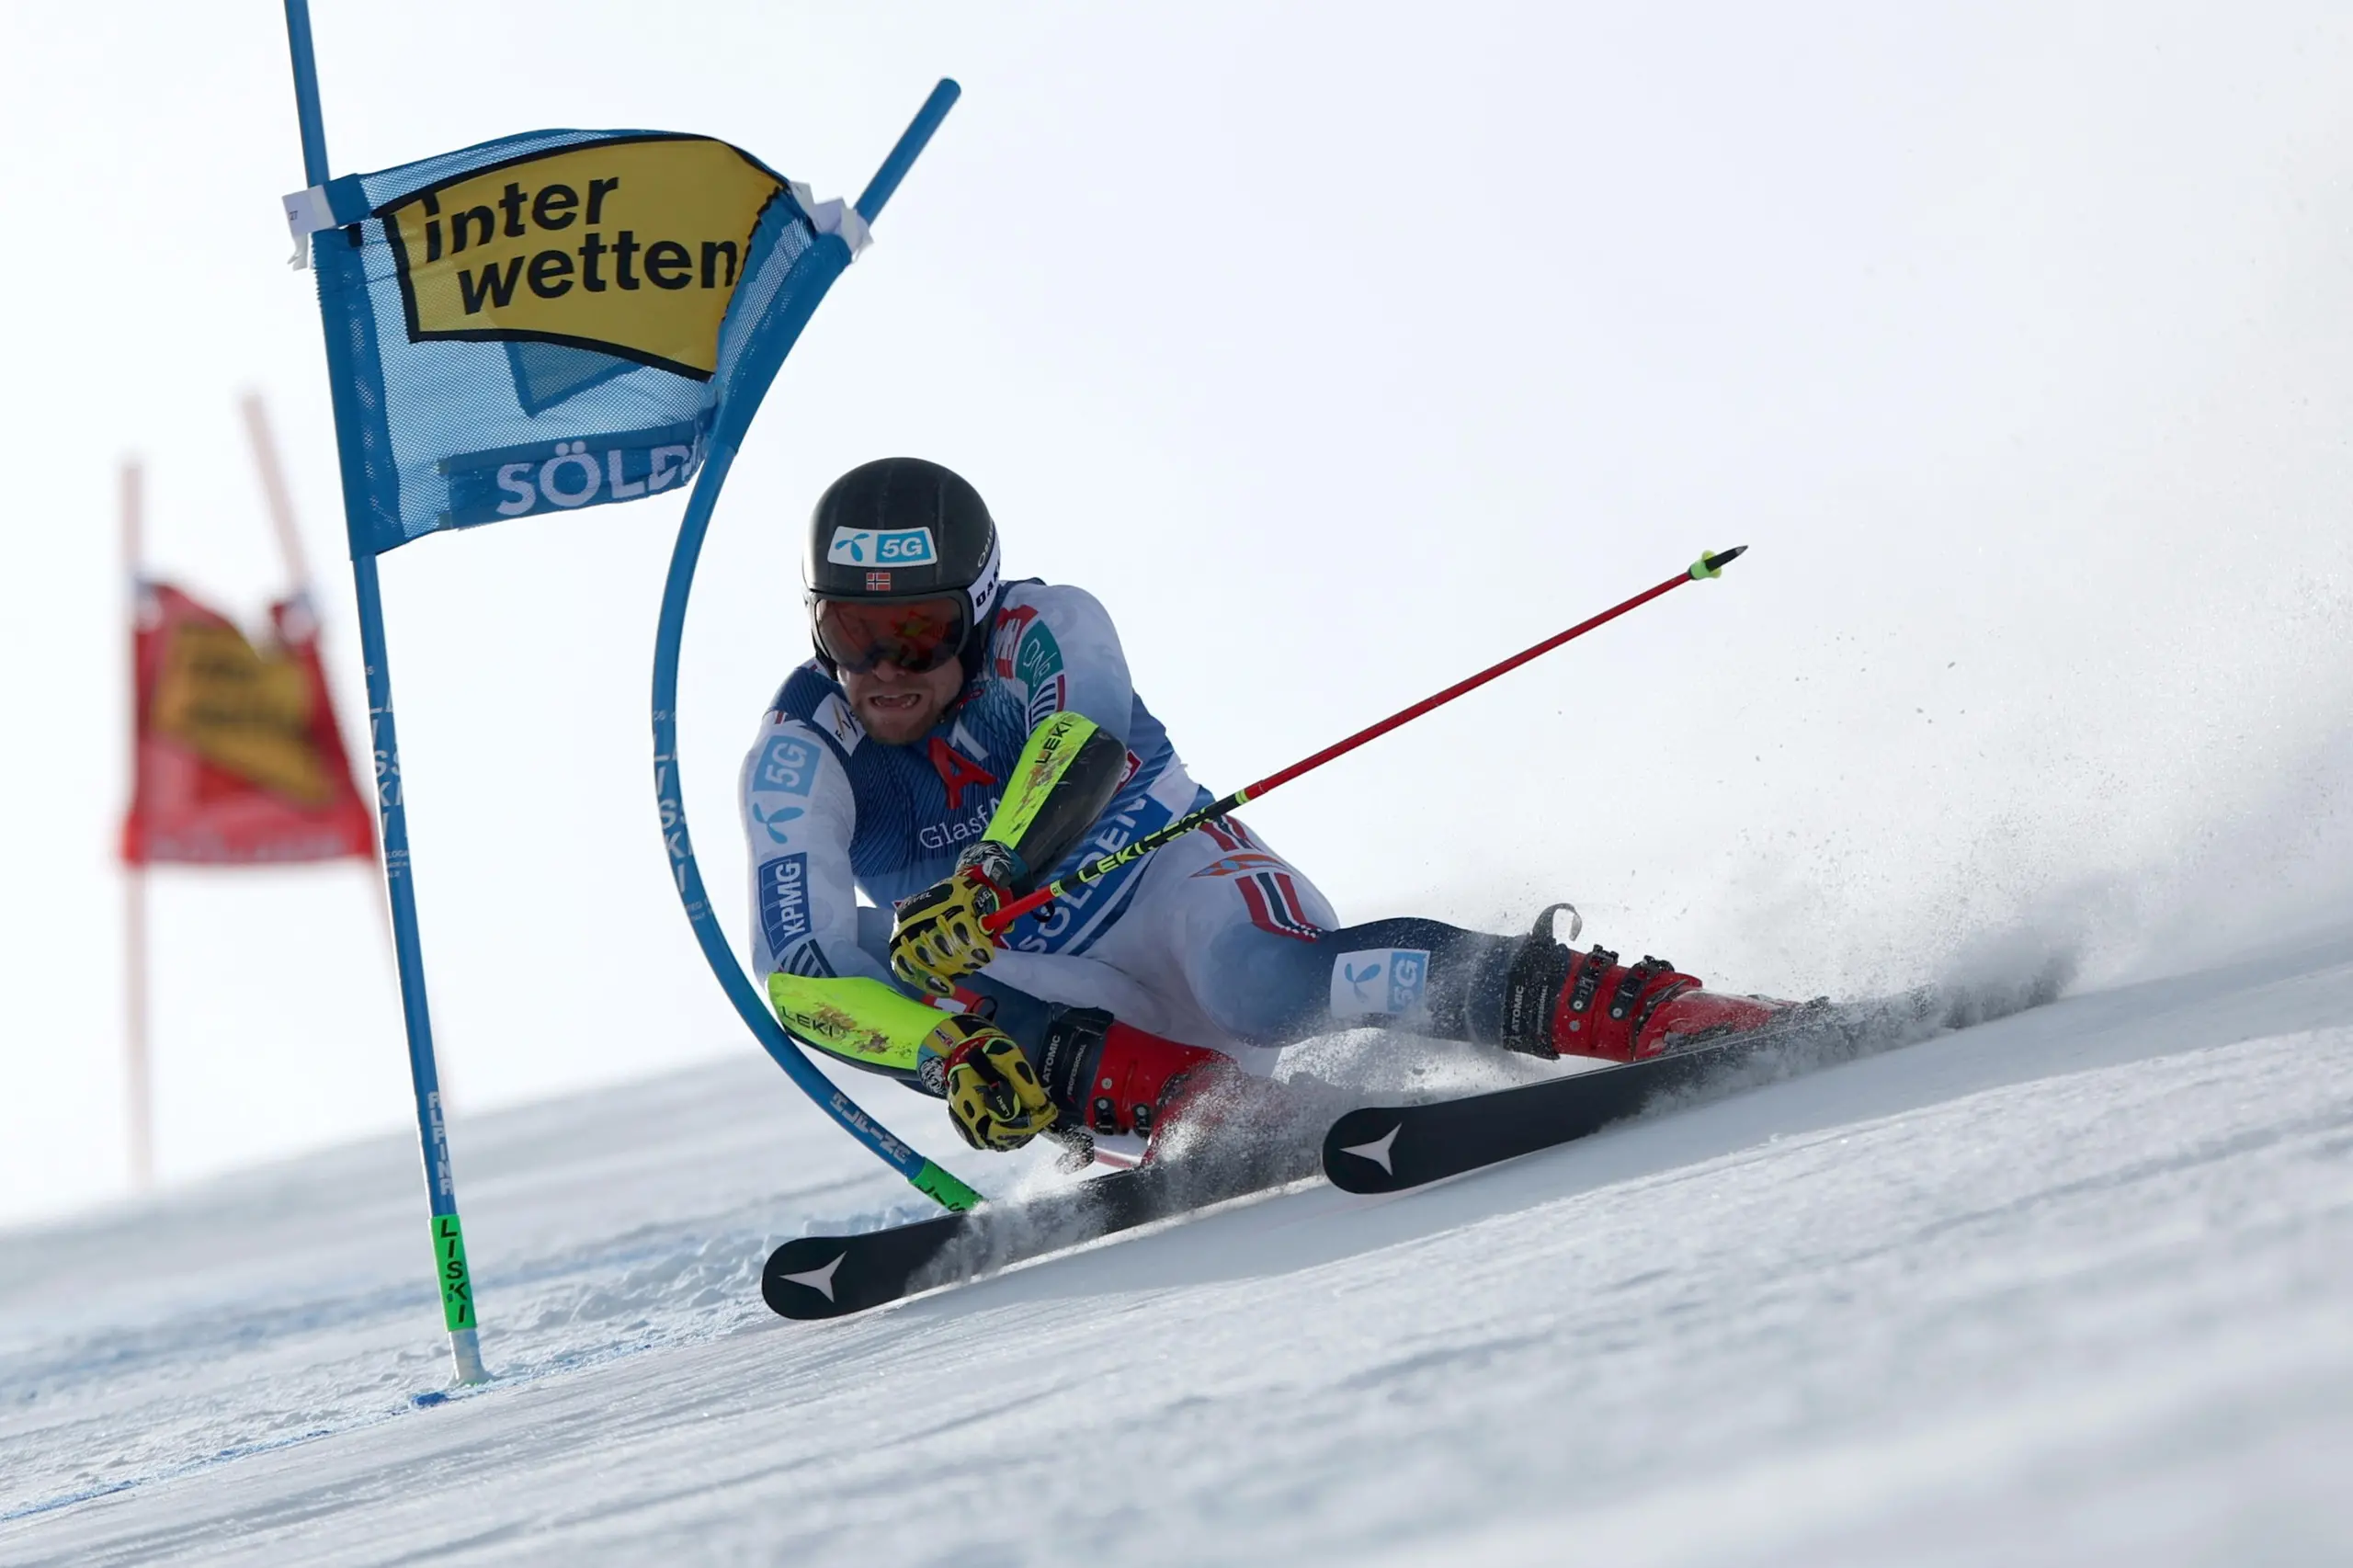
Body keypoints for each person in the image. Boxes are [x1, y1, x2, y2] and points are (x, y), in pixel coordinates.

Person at [741, 457, 1786, 1160]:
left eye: (914, 632)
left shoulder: (1045, 626)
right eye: (847, 629)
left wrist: (986, 874)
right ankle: (1207, 1111)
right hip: (1055, 990)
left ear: (974, 610)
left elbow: (1085, 741)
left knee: (1258, 984)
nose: (878, 668)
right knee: (906, 974)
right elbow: (802, 975)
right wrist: (945, 1056)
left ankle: (1645, 1011)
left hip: (1172, 888)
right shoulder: (800, 751)